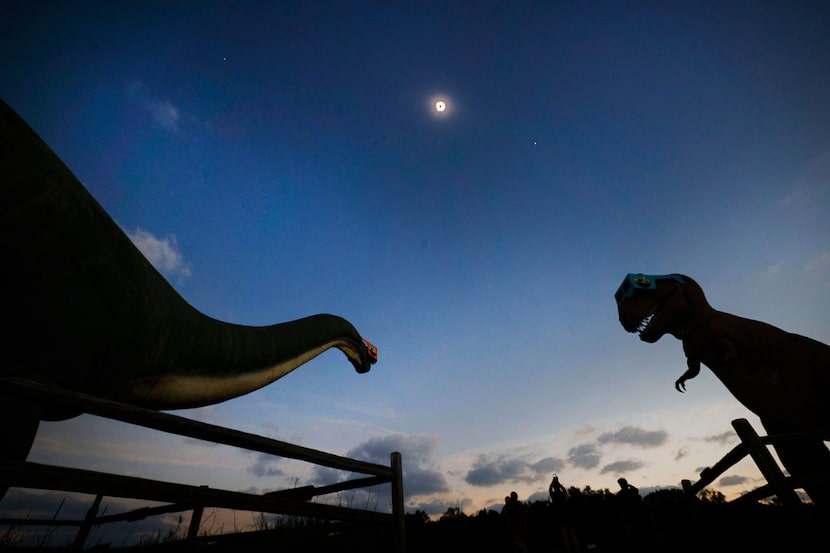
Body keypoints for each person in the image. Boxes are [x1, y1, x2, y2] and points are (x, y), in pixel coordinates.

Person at [548, 474, 580, 553]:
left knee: (565, 537)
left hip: (561, 517)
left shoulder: (554, 497)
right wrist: (558, 482)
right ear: (559, 487)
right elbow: (564, 490)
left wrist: (553, 482)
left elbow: (550, 489)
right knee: (573, 536)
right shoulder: (564, 495)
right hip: (568, 516)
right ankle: (577, 550)